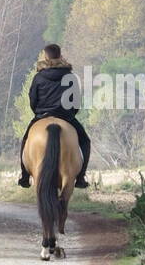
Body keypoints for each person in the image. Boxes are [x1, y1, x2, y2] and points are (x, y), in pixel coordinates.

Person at [17, 44, 91, 189]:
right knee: (85, 141)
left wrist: (38, 113)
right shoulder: (70, 77)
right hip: (66, 117)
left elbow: (33, 100)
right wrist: (70, 115)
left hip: (42, 115)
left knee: (26, 139)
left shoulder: (38, 77)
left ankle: (25, 176)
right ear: (60, 55)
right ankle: (81, 177)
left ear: (46, 56)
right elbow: (76, 102)